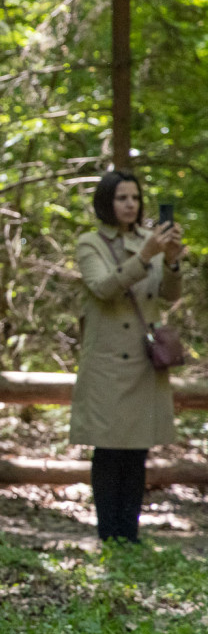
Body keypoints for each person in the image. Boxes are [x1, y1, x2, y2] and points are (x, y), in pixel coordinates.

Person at [70, 170, 185, 543]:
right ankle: (109, 535)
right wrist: (147, 255)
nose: (130, 204)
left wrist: (170, 261)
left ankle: (129, 535)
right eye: (122, 198)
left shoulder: (147, 241)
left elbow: (169, 295)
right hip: (106, 362)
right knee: (108, 450)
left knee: (137, 451)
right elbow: (103, 287)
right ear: (107, 201)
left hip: (142, 360)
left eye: (135, 197)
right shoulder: (91, 242)